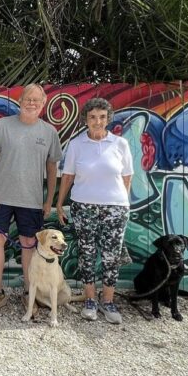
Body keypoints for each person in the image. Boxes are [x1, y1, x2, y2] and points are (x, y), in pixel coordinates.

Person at [0, 83, 63, 315]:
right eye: (28, 98)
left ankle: (29, 294)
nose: (32, 103)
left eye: (37, 100)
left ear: (43, 103)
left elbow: (52, 167)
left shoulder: (49, 132)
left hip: (32, 200)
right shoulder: (2, 126)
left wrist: (48, 200)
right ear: (20, 100)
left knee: (29, 245)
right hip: (0, 197)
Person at [56, 97, 133, 324]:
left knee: (111, 257)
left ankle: (108, 301)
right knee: (87, 254)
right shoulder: (77, 144)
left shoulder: (120, 144)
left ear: (108, 118)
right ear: (85, 120)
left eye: (101, 117)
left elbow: (127, 177)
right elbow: (68, 176)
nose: (97, 121)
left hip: (115, 209)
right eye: (92, 117)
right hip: (83, 207)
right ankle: (90, 300)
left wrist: (121, 203)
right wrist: (60, 203)